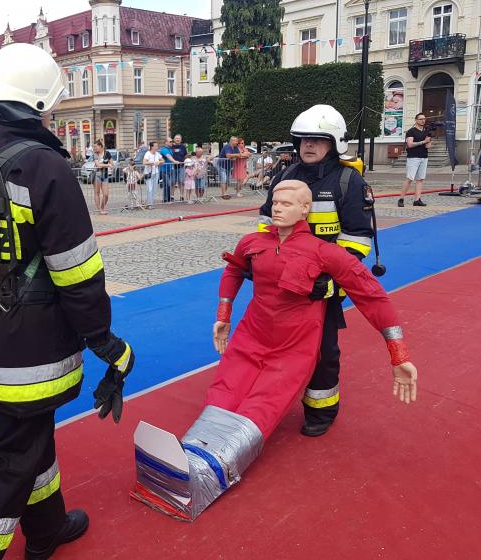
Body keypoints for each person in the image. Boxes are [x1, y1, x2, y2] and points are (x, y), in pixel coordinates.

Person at [0, 42, 136, 560]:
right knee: (11, 458)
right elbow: (77, 270)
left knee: (30, 437)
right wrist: (104, 339)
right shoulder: (44, 166)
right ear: (41, 104)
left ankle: (46, 529)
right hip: (31, 348)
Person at [133, 180, 417, 521]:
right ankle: (186, 457)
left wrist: (398, 355)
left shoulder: (325, 252)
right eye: (275, 201)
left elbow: (371, 295)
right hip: (251, 335)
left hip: (294, 346)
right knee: (225, 389)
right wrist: (223, 315)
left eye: (286, 202)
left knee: (263, 404)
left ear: (305, 209)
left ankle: (207, 475)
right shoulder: (253, 242)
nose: (277, 207)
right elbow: (234, 269)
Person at [258, 104, 375, 438]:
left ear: (334, 142)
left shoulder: (348, 181)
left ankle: (320, 411)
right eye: (303, 140)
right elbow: (268, 223)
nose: (308, 145)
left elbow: (357, 239)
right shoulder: (285, 176)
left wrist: (327, 282)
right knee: (277, 349)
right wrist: (261, 262)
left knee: (323, 352)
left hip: (324, 286)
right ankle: (273, 405)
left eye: (317, 140)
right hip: (284, 284)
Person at [398, 113, 430, 207]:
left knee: (420, 179)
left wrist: (428, 142)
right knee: (409, 179)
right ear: (416, 120)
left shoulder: (426, 131)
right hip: (413, 157)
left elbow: (428, 146)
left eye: (424, 119)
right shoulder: (411, 131)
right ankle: (401, 198)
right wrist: (423, 142)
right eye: (420, 119)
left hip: (424, 157)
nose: (423, 121)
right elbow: (410, 144)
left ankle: (417, 199)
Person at [92, 140, 112, 214]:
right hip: (97, 175)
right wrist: (107, 165)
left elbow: (112, 164)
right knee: (97, 193)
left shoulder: (107, 153)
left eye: (96, 146)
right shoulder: (95, 154)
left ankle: (102, 208)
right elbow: (98, 165)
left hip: (105, 176)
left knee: (106, 195)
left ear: (100, 146)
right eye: (94, 146)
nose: (94, 148)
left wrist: (108, 164)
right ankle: (99, 210)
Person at [142, 141, 162, 209]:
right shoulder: (147, 153)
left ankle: (151, 203)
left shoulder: (157, 154)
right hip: (149, 173)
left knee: (154, 188)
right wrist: (152, 162)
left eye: (157, 146)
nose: (157, 147)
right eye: (156, 146)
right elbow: (144, 162)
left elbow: (163, 160)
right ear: (152, 147)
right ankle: (149, 204)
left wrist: (159, 162)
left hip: (156, 172)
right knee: (149, 188)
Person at [170, 134, 188, 201]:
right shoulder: (171, 146)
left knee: (181, 181)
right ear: (174, 139)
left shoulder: (183, 147)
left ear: (181, 140)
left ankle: (181, 196)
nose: (177, 139)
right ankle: (172, 196)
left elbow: (185, 155)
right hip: (173, 167)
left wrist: (185, 162)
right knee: (173, 182)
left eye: (179, 138)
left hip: (181, 166)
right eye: (176, 138)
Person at [159, 138, 175, 203]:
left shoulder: (170, 149)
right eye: (170, 141)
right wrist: (174, 161)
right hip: (164, 169)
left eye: (172, 141)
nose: (172, 142)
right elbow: (168, 156)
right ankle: (166, 199)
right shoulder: (163, 149)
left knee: (170, 183)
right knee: (167, 184)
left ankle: (168, 198)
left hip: (170, 169)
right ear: (166, 142)